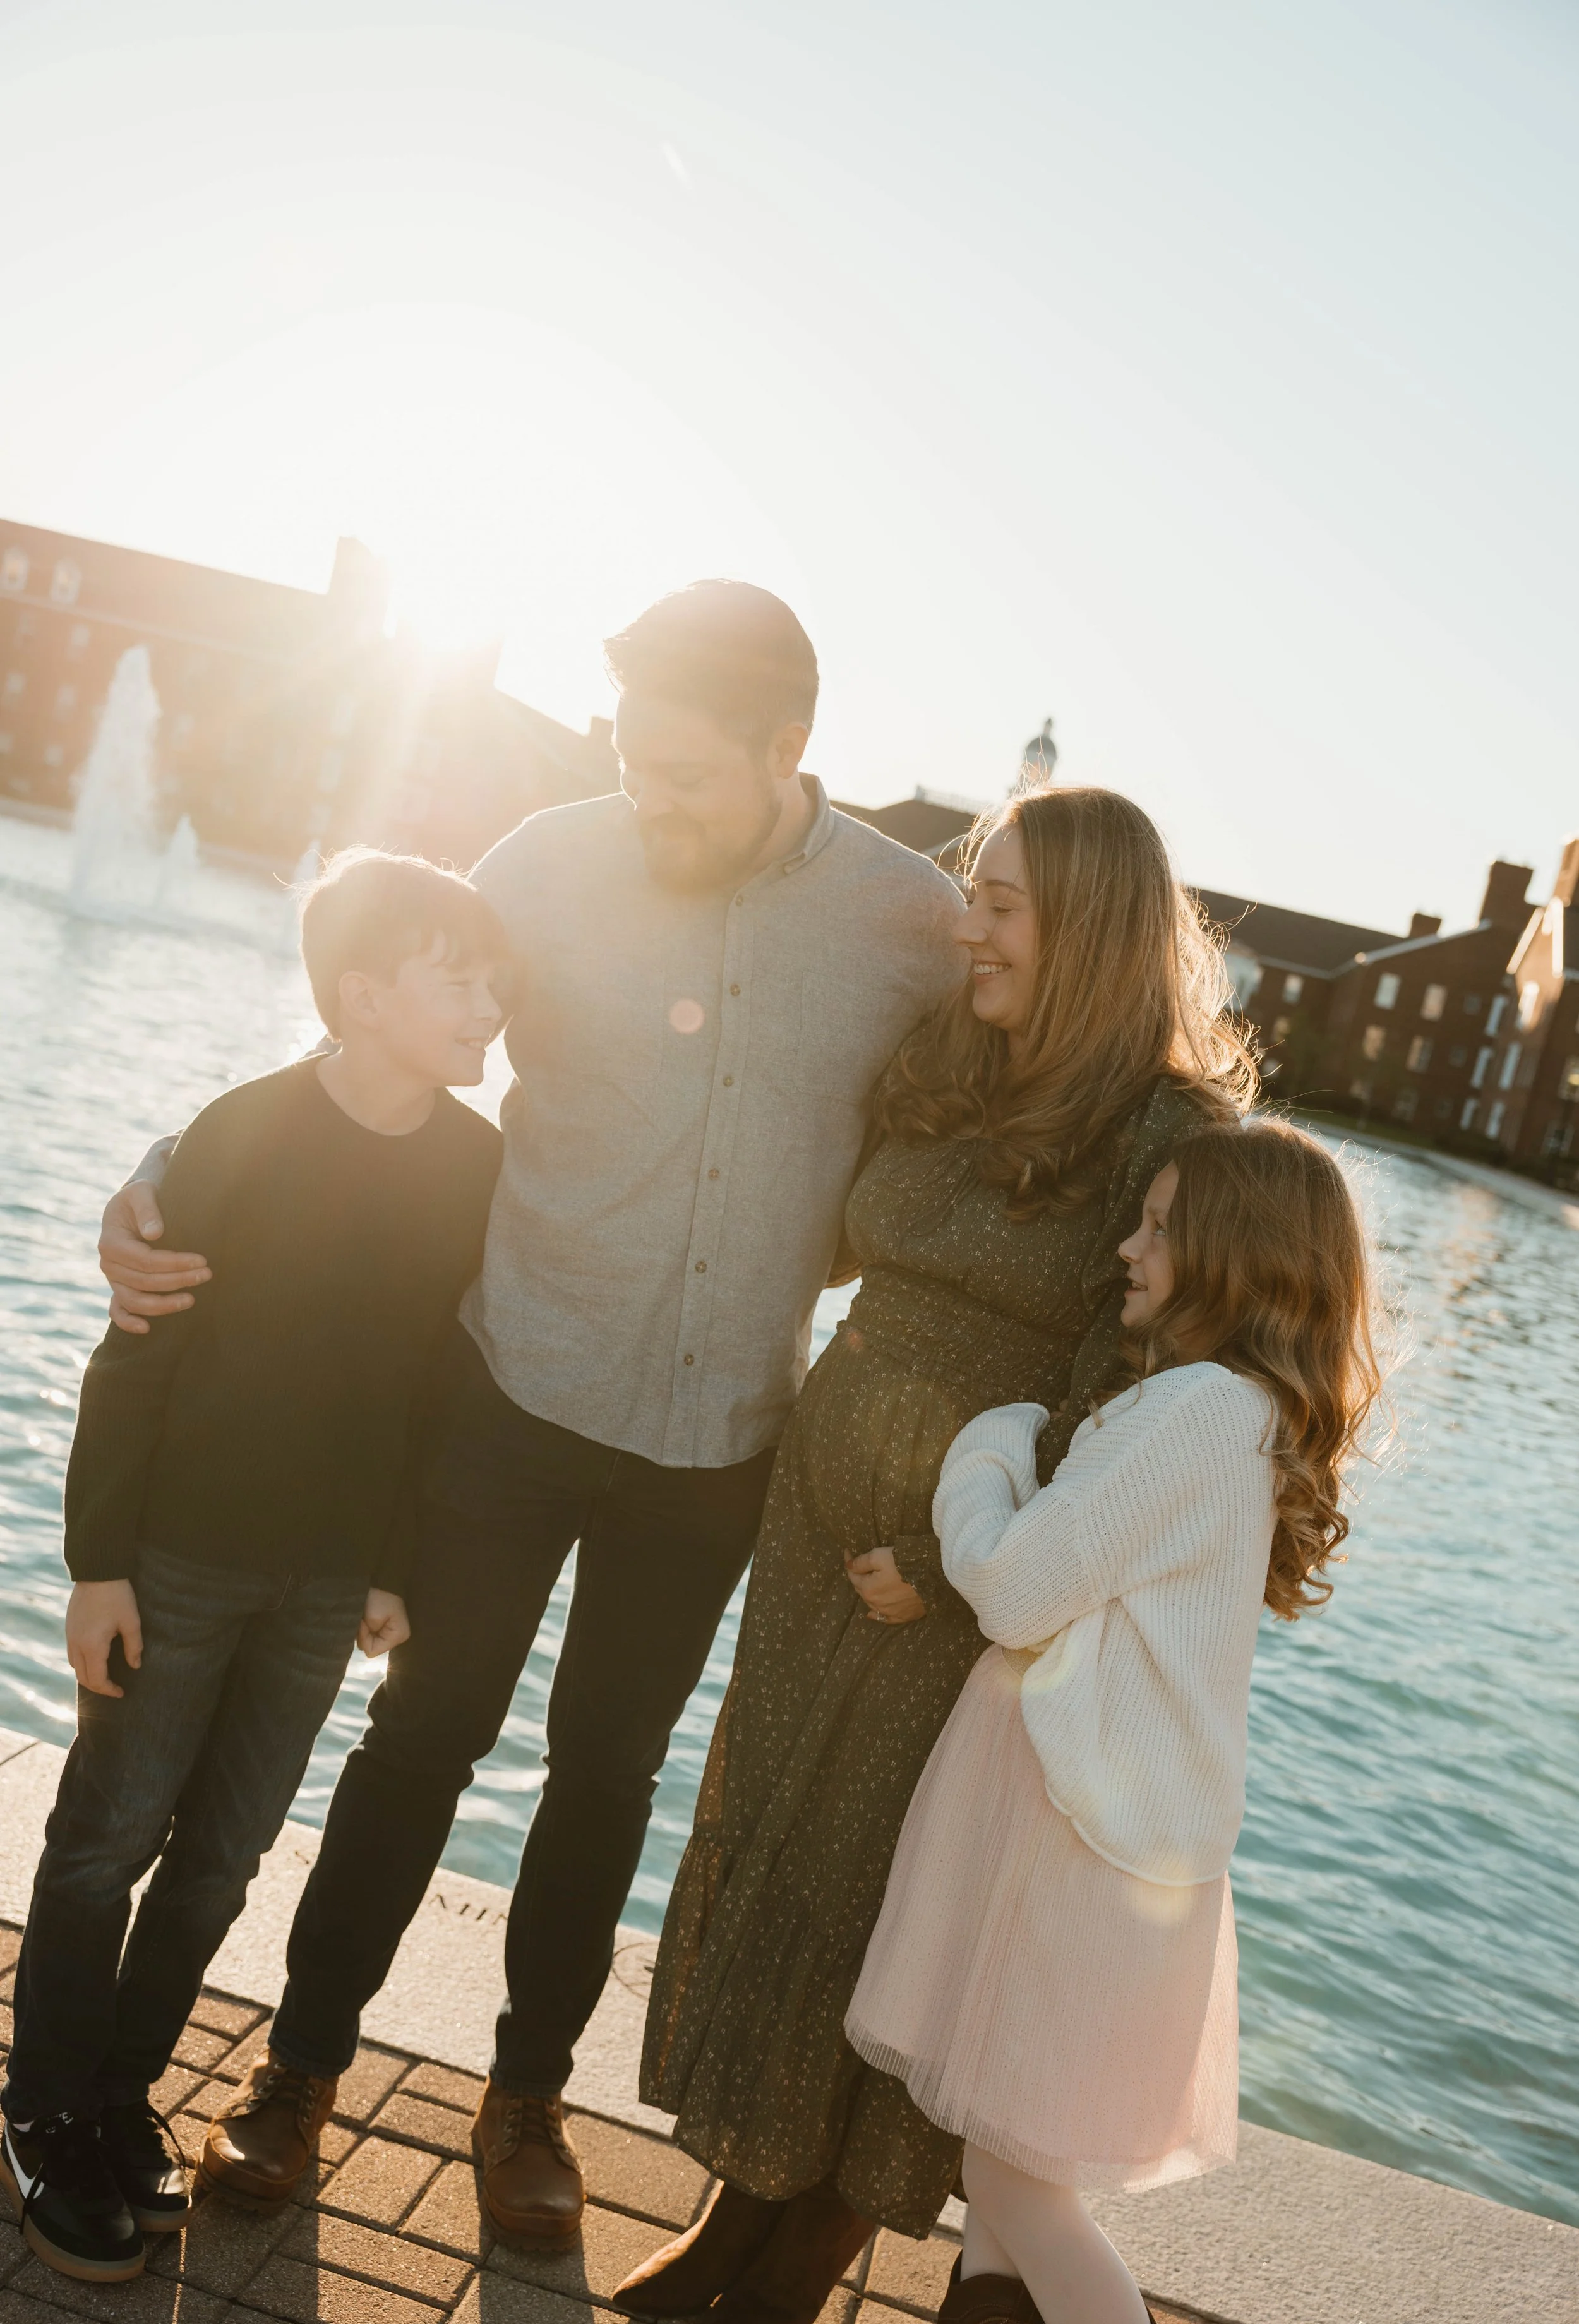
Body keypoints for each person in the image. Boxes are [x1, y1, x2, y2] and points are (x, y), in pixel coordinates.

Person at [93, 582, 966, 2241]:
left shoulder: (908, 924)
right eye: (633, 755)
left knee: (606, 1776)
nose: (650, 792)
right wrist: (162, 1173)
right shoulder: (545, 866)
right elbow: (359, 1057)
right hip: (504, 1396)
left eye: (688, 769)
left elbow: (1006, 1101)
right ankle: (298, 2073)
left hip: (716, 1445)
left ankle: (523, 2106)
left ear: (790, 748)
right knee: (420, 1738)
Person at [623, 784, 1258, 2324]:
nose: (966, 925)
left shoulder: (1175, 1138)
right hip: (806, 1534)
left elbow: (1138, 1385)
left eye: (1005, 905)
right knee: (769, 1833)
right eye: (975, 892)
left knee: (884, 1896)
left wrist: (945, 1549)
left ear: (1095, 926)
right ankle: (740, 2193)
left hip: (960, 1583)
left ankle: (806, 2250)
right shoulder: (950, 1058)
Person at [1, 853, 507, 2284]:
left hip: (321, 1586)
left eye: (490, 971)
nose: (488, 997)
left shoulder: (477, 1168)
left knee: (221, 1860)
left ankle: (120, 2092)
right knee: (109, 1836)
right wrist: (98, 1566)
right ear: (360, 997)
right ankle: (41, 2101)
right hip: (175, 1562)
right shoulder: (241, 1133)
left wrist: (393, 1566)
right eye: (453, 971)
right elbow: (135, 1349)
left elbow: (436, 1390)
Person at [845, 1120, 1383, 2324]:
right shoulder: (1220, 1416)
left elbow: (1013, 1586)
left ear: (1233, 1254)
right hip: (1086, 1835)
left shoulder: (1198, 1410)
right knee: (999, 2182)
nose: (1128, 1248)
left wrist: (986, 1447)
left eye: (1159, 1225)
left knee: (1019, 2186)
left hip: (1077, 1846)